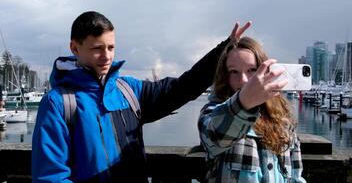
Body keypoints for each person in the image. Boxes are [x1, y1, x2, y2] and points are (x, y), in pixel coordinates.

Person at [31, 11, 251, 182]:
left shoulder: (128, 90)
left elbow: (182, 88)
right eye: (97, 48)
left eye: (111, 47)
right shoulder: (58, 103)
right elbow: (51, 176)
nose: (106, 56)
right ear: (75, 48)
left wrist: (223, 51)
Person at [198, 37, 306, 182]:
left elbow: (296, 176)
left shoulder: (283, 120)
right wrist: (243, 102)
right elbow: (215, 137)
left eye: (252, 70)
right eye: (234, 71)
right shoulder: (213, 112)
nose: (243, 80)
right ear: (225, 76)